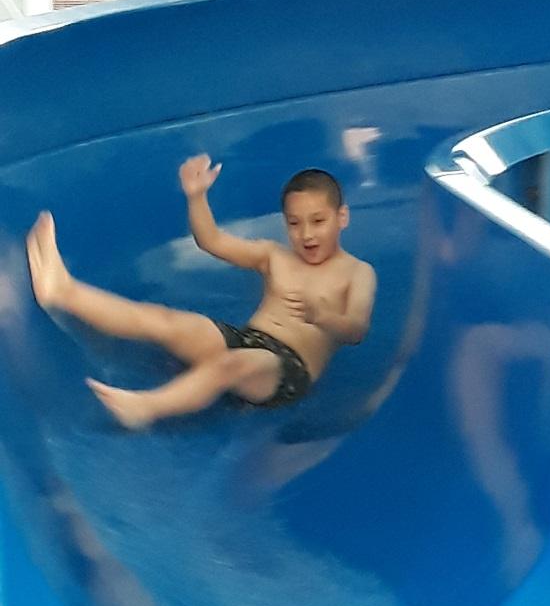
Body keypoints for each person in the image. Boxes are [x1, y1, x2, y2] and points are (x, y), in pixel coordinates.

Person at [26, 155, 376, 429]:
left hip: (288, 369)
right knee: (168, 321)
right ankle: (63, 291)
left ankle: (146, 407)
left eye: (318, 221)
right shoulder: (274, 256)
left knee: (231, 364)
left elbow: (356, 329)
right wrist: (197, 197)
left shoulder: (357, 272)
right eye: (295, 224)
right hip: (246, 339)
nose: (307, 234)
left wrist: (323, 316)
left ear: (342, 217)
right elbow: (212, 241)